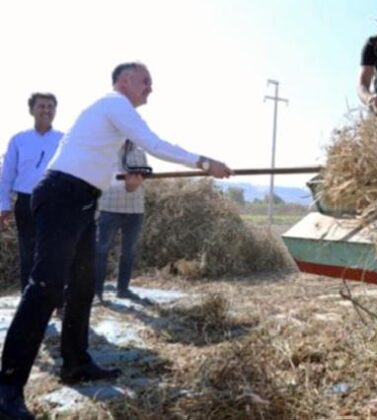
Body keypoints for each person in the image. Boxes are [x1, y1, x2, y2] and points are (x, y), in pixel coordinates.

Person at [0, 62, 232, 420]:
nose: (150, 89)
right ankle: (7, 389)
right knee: (45, 287)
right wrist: (203, 162)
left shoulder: (106, 120)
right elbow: (152, 143)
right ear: (125, 81)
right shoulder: (114, 104)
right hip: (61, 195)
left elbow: (97, 172)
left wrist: (127, 180)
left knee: (81, 286)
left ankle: (76, 363)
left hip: (79, 198)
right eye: (146, 82)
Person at [0, 93, 64, 292]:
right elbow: (7, 173)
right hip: (26, 201)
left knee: (56, 252)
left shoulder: (64, 140)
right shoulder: (19, 140)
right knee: (28, 252)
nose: (46, 110)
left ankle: (57, 300)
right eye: (41, 106)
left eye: (50, 107)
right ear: (32, 110)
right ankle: (27, 298)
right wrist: (4, 205)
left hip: (56, 202)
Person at [94, 140, 148, 303]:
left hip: (135, 208)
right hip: (109, 207)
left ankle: (123, 289)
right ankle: (97, 292)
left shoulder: (140, 152)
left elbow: (144, 176)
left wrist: (136, 181)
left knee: (128, 251)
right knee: (101, 251)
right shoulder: (106, 149)